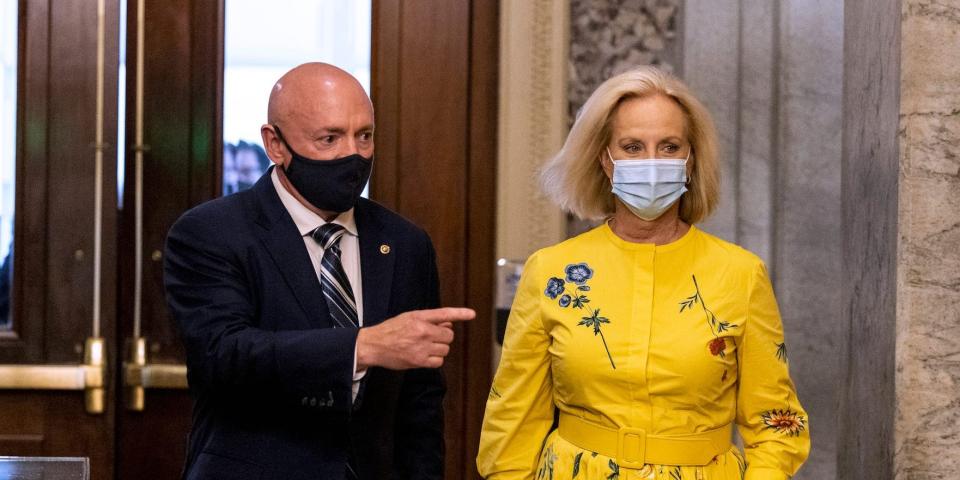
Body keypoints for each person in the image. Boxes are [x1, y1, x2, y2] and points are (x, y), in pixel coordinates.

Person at [477, 66, 809, 479]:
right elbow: (512, 421)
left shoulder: (741, 274)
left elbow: (776, 423)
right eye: (632, 147)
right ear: (605, 159)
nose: (651, 162)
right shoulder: (551, 272)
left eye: (669, 147)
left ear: (691, 160)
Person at [164, 62, 475, 480]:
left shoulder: (404, 243)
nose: (352, 154)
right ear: (275, 145)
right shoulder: (212, 232)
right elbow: (224, 355)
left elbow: (419, 403)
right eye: (329, 138)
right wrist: (361, 347)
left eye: (364, 136)